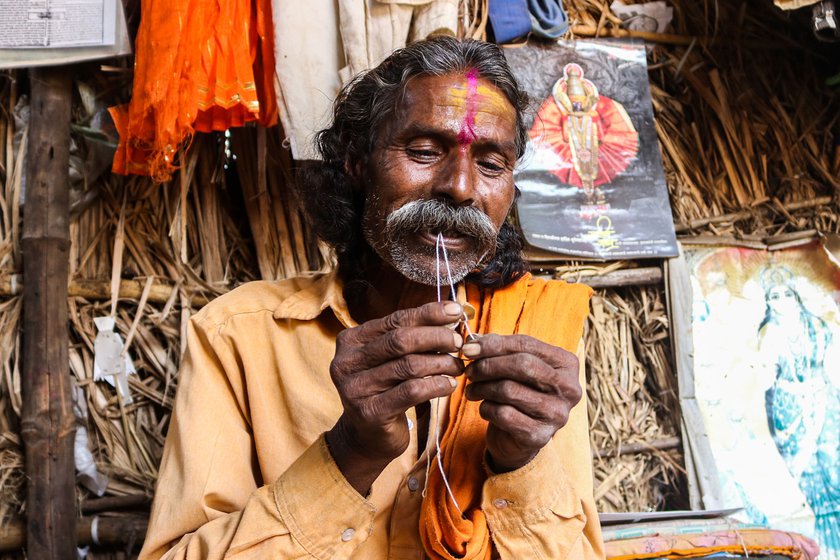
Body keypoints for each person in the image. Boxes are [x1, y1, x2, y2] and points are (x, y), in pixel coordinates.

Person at [139, 36, 605, 559]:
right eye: (425, 152)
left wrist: (519, 461)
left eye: (492, 164)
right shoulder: (236, 337)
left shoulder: (535, 336)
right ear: (357, 165)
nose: (459, 186)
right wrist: (349, 453)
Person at [757, 268, 840, 556]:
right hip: (789, 409)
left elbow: (831, 366)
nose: (781, 301)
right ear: (768, 302)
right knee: (803, 472)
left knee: (833, 464)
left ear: (796, 297)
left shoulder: (817, 326)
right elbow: (765, 377)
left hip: (824, 400)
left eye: (786, 295)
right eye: (774, 296)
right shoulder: (769, 334)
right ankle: (817, 544)